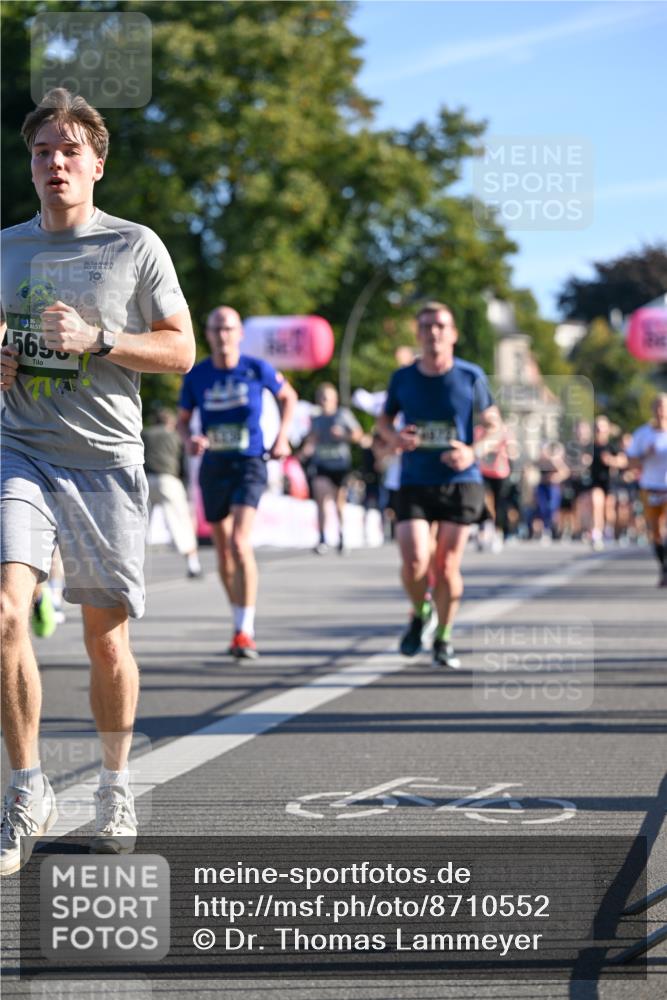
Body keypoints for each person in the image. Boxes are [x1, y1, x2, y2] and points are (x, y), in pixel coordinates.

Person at [0, 89, 195, 876]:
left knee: (105, 639)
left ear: (97, 164)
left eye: (70, 151)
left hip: (107, 466)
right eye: (43, 151)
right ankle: (25, 789)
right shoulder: (6, 248)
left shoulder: (135, 247)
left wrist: (101, 338)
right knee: (6, 613)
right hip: (21, 452)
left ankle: (115, 787)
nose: (55, 163)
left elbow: (180, 351)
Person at [377, 301, 501, 668]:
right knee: (414, 559)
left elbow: (496, 427)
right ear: (418, 333)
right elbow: (382, 423)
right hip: (415, 479)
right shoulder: (403, 378)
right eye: (427, 326)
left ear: (453, 334)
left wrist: (472, 451)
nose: (434, 332)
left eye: (441, 326)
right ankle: (421, 611)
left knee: (446, 565)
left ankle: (444, 637)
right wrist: (395, 438)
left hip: (460, 480)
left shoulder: (470, 375)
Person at [177, 306, 296, 658]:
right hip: (214, 465)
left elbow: (288, 396)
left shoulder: (256, 368)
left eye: (229, 328)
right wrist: (190, 440)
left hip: (250, 462)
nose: (223, 335)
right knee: (224, 552)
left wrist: (283, 437)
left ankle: (246, 630)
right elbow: (183, 420)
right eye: (216, 329)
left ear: (240, 333)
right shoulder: (196, 376)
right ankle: (237, 620)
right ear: (209, 334)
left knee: (241, 543)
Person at [301, 383, 363, 554]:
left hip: (340, 465)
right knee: (321, 500)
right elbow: (311, 440)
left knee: (339, 503)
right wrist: (306, 450)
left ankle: (342, 536)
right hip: (322, 464)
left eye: (326, 397)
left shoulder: (343, 414)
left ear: (334, 399)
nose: (323, 401)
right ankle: (322, 538)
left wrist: (343, 434)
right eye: (320, 397)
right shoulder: (315, 419)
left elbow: (358, 435)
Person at [142, 406, 202, 578]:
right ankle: (193, 565)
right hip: (168, 479)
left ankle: (132, 566)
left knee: (140, 526)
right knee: (180, 522)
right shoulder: (175, 436)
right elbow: (184, 461)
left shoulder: (146, 434)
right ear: (170, 422)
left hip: (146, 479)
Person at [625, 393, 667, 586]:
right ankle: (663, 567)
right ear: (652, 410)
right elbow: (631, 462)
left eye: (664, 407)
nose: (661, 411)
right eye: (658, 407)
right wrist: (645, 454)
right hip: (650, 487)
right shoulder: (642, 434)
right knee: (655, 530)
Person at [580, 415, 627, 550]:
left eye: (602, 429)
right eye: (597, 429)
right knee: (596, 503)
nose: (599, 432)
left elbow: (623, 461)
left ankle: (609, 530)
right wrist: (584, 462)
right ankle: (596, 533)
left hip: (610, 482)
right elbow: (581, 462)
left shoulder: (612, 446)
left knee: (609, 510)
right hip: (595, 482)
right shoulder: (589, 447)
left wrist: (611, 461)